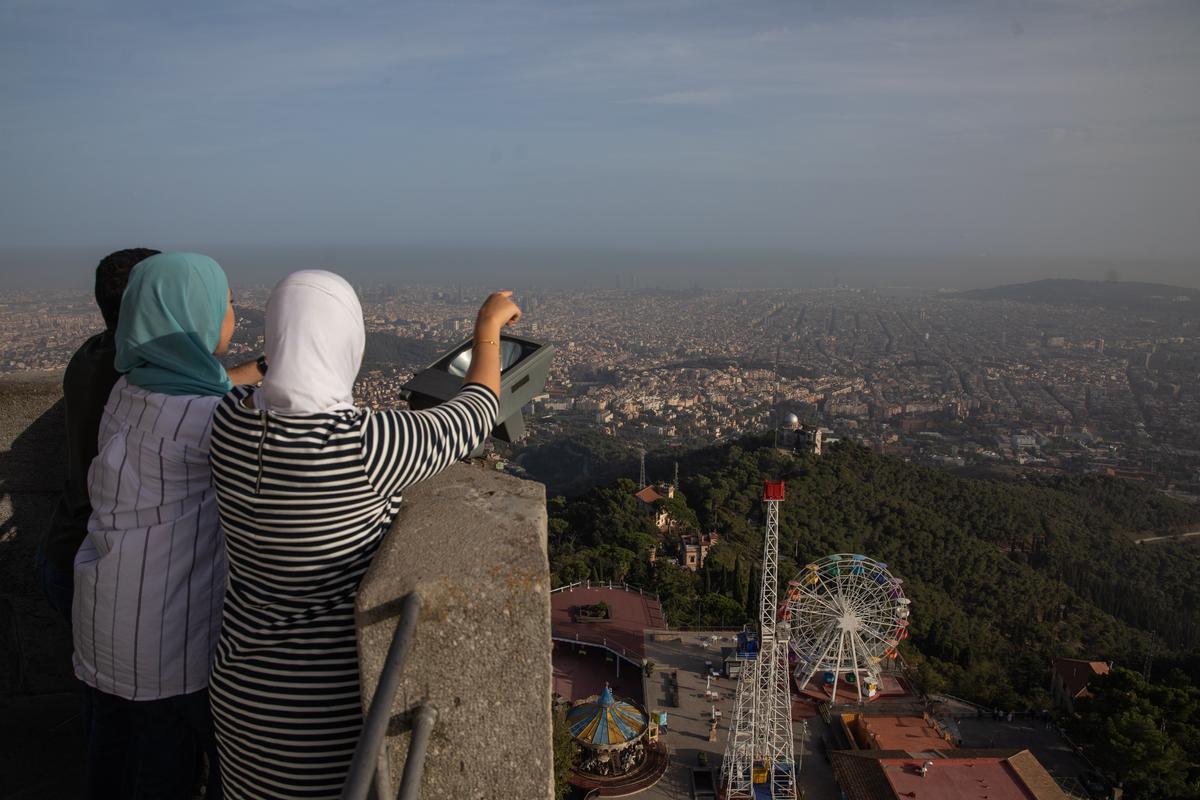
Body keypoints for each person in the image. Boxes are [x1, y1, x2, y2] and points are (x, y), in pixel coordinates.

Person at [207, 270, 518, 799]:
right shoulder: (364, 444)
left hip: (240, 691)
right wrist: (487, 329)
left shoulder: (230, 424)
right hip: (325, 706)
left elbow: (232, 383)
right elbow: (475, 413)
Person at [73, 251, 259, 799]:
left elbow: (201, 394)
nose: (233, 317)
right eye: (225, 305)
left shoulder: (129, 391)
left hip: (104, 616)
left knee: (112, 761)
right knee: (167, 774)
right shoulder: (210, 420)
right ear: (192, 316)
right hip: (163, 640)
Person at [35, 248, 160, 622]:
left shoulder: (92, 353)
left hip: (63, 545)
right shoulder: (130, 375)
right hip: (96, 559)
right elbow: (177, 397)